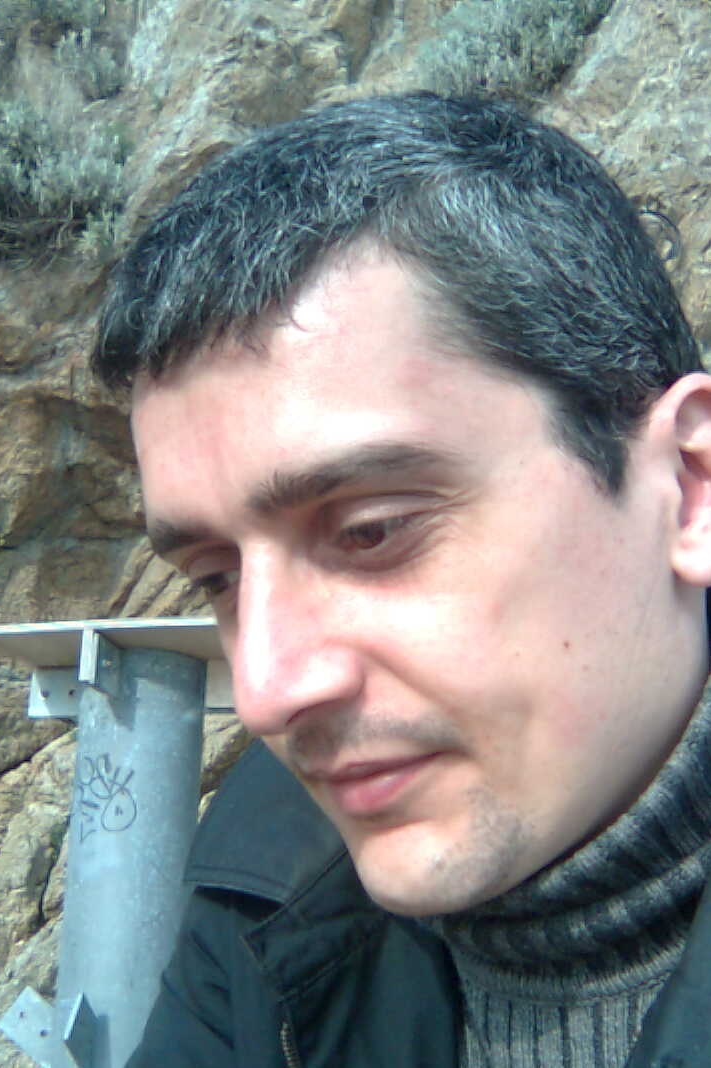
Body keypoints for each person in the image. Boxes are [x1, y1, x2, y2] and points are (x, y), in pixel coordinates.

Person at [92, 93, 711, 1067]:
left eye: (371, 532)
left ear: (686, 487)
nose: (265, 693)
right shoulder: (265, 884)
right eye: (216, 578)